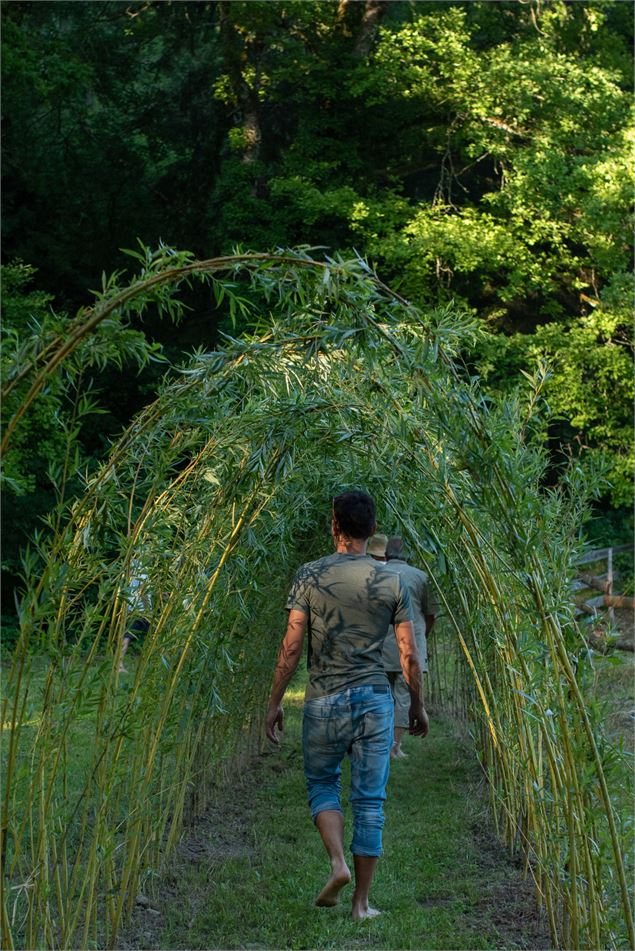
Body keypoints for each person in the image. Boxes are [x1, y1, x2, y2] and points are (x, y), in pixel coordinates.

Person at [265, 492, 429, 920]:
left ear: (333, 525)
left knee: (322, 784)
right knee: (370, 801)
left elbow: (292, 646)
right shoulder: (390, 580)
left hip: (324, 701)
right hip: (375, 701)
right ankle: (361, 905)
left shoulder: (311, 575)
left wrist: (275, 702)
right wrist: (416, 704)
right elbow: (408, 652)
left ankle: (337, 863)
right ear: (372, 530)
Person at [381, 536, 437, 758]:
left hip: (382, 644)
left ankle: (381, 743)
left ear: (386, 554)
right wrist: (422, 636)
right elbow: (431, 614)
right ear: (408, 555)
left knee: (384, 694)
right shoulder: (421, 577)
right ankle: (395, 745)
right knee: (405, 694)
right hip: (411, 642)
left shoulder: (376, 575)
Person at [118, 559, 151, 673]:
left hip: (133, 608)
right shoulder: (143, 571)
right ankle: (119, 664)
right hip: (141, 611)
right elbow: (143, 593)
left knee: (129, 636)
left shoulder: (133, 572)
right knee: (128, 637)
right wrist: (148, 610)